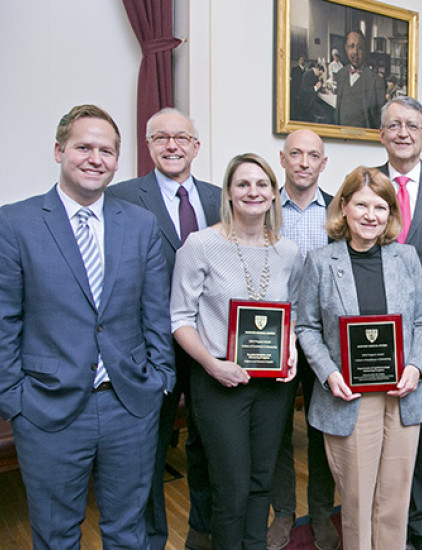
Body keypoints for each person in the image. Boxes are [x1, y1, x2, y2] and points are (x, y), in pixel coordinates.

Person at [0, 104, 175, 548]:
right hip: (46, 410)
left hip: (129, 406)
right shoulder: (15, 224)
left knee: (128, 532)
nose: (96, 158)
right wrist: (14, 398)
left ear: (118, 160)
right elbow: (4, 320)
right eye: (84, 147)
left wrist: (159, 382)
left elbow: (155, 314)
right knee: (56, 535)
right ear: (59, 150)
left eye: (107, 150)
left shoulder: (140, 225)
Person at [296, 166, 422, 550]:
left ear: (390, 214)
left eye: (380, 206)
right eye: (361, 204)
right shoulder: (321, 261)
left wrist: (415, 366)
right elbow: (305, 326)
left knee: (394, 498)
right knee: (357, 498)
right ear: (343, 207)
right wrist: (327, 373)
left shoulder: (405, 258)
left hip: (403, 394)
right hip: (349, 397)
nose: (370, 215)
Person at [170, 153, 301, 550]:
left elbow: (290, 311)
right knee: (230, 487)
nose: (253, 192)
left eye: (262, 184)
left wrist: (291, 349)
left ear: (274, 195)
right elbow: (179, 317)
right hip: (218, 384)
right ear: (228, 192)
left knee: (262, 482)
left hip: (272, 386)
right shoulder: (201, 245)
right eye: (243, 184)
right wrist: (213, 365)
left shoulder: (287, 252)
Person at [108, 107, 219, 550]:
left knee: (207, 442)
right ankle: (153, 536)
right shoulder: (119, 198)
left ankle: (203, 530)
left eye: (181, 138)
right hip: (150, 345)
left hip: (209, 343)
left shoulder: (220, 197)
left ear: (195, 146)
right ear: (149, 145)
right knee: (149, 450)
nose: (172, 146)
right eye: (161, 138)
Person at [376, 96, 422, 550]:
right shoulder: (362, 185)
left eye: (412, 125)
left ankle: (421, 528)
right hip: (370, 332)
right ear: (380, 133)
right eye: (393, 125)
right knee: (373, 432)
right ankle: (379, 525)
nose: (403, 132)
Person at [267, 129, 340, 550]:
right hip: (273, 337)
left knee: (321, 427)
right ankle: (282, 512)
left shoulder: (337, 212)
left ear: (323, 163)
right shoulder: (264, 207)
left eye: (313, 155)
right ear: (283, 158)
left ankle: (321, 511)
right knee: (277, 428)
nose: (304, 162)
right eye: (296, 153)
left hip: (324, 338)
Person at [335, 30, 386, 129]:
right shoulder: (341, 74)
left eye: (360, 48)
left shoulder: (377, 81)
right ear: (346, 48)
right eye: (351, 46)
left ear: (365, 51)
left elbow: (380, 122)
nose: (355, 52)